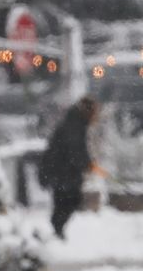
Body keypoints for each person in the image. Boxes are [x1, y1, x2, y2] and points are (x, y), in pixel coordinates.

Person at [39, 96, 100, 238]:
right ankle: (57, 230)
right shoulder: (75, 125)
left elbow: (77, 149)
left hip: (62, 171)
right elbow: (75, 149)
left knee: (66, 200)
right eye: (94, 112)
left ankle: (57, 230)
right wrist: (86, 164)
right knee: (69, 200)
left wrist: (87, 163)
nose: (95, 116)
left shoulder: (76, 122)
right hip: (62, 171)